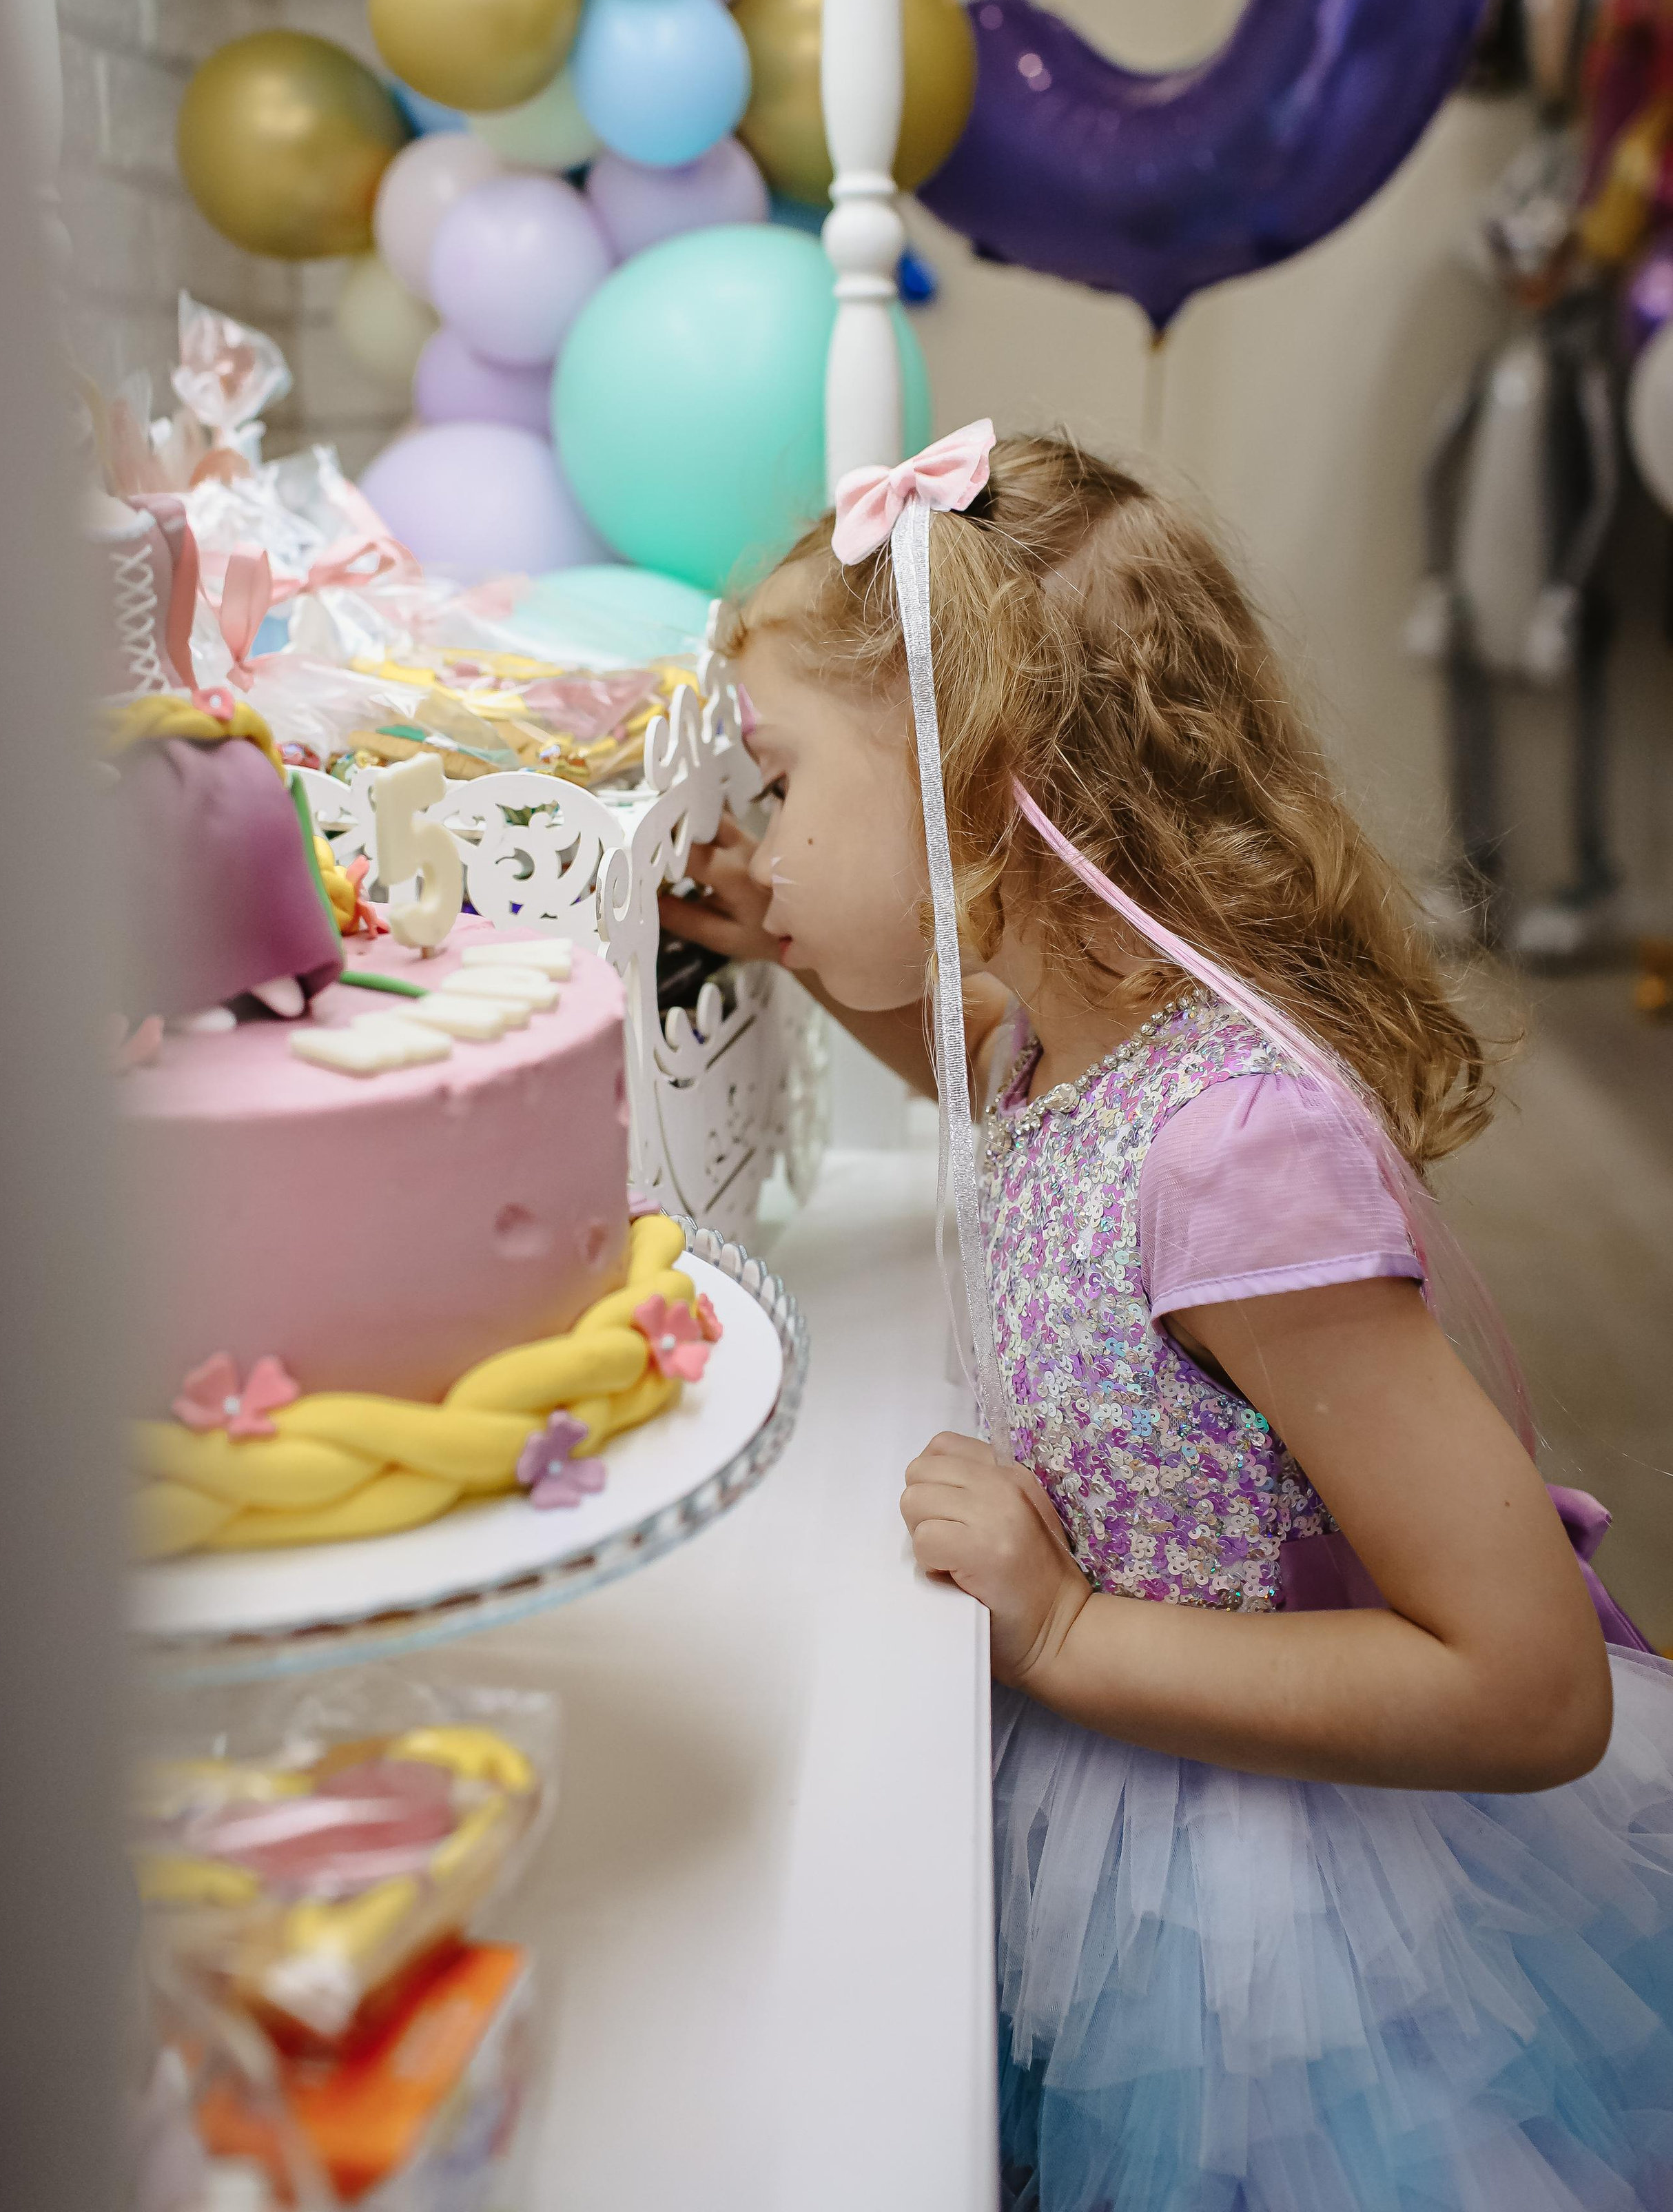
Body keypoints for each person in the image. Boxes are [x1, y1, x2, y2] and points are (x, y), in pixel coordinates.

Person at [661, 424, 1673, 2211]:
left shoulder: (1232, 1159)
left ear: (975, 789)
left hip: (1297, 1924)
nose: (762, 836)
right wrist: (795, 941)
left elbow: (1527, 1689)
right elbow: (980, 1088)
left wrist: (1063, 1637)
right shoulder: (1059, 1029)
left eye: (783, 786)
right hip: (1153, 1806)